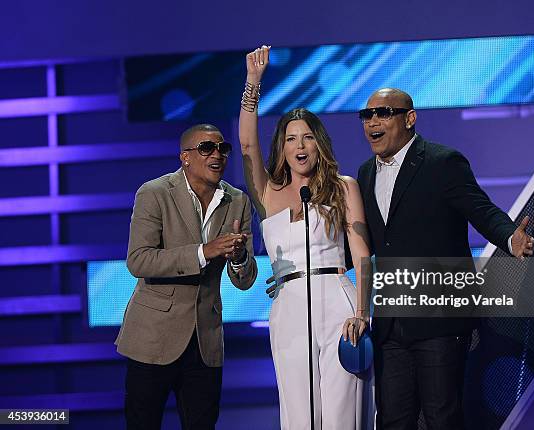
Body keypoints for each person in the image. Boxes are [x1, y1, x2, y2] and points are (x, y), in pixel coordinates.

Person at [356, 88, 534, 429]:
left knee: (442, 418)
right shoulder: (365, 173)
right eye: (367, 116)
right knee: (393, 420)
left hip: (439, 316)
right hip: (391, 323)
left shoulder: (442, 162)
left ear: (410, 118)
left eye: (383, 113)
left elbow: (481, 211)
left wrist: (511, 237)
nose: (373, 122)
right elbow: (367, 241)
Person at [239, 46, 373, 429]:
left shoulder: (342, 187)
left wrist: (362, 313)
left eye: (308, 138)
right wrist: (253, 83)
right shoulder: (267, 193)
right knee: (299, 415)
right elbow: (247, 145)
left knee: (342, 412)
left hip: (339, 302)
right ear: (281, 147)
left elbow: (362, 255)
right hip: (288, 308)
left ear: (320, 144)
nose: (300, 146)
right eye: (291, 138)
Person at [115, 123, 258, 430]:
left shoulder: (238, 201)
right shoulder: (154, 193)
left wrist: (240, 258)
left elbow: (244, 280)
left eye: (222, 148)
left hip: (205, 341)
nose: (216, 155)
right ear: (185, 157)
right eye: (206, 148)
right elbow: (138, 261)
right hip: (153, 338)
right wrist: (202, 252)